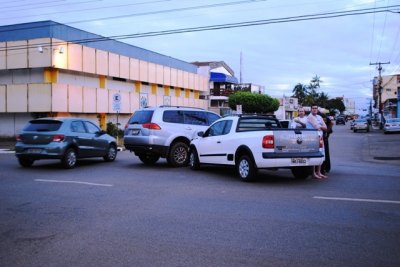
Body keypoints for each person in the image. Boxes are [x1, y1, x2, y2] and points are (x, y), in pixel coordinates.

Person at [306, 104, 328, 179]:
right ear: (311, 109)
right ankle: (313, 173)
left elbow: (325, 127)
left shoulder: (319, 117)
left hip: (320, 137)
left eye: (316, 108)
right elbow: (316, 126)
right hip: (312, 138)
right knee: (314, 155)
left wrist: (321, 126)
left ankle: (319, 172)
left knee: (321, 154)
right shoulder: (310, 117)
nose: (314, 109)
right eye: (313, 108)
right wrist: (321, 126)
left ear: (317, 109)